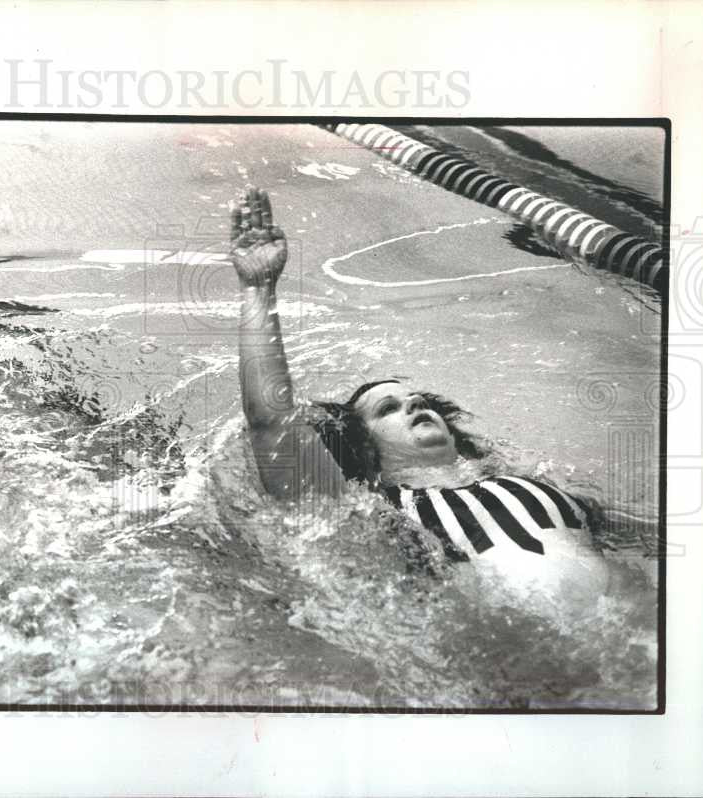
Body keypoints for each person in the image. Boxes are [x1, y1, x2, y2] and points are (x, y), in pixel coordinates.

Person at [229, 187, 608, 607]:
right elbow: (271, 422)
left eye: (418, 401)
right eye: (387, 409)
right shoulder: (376, 510)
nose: (414, 406)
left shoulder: (535, 482)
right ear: (365, 446)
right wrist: (259, 291)